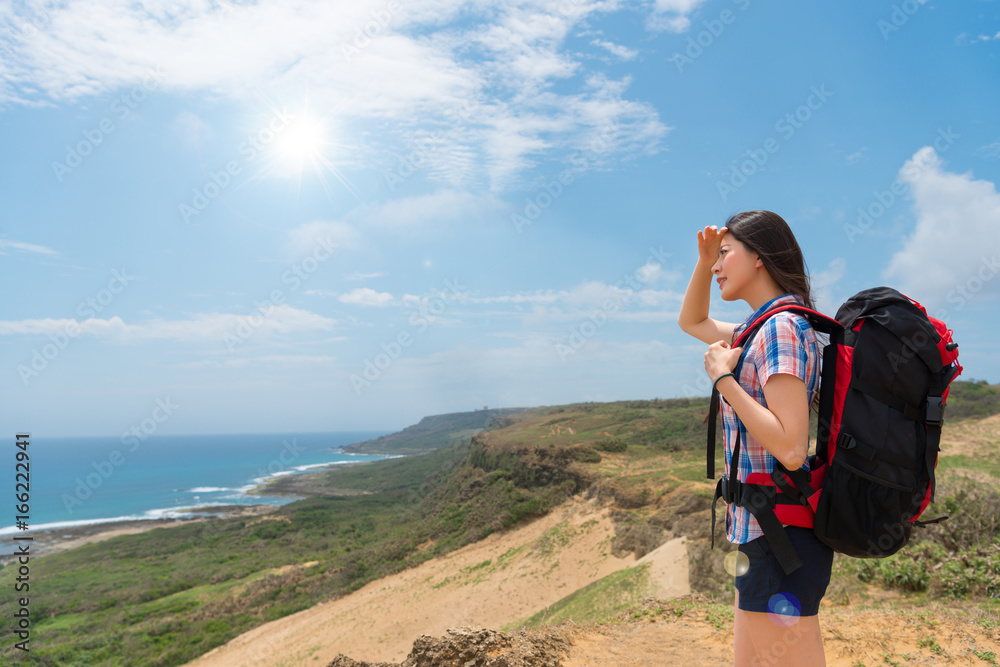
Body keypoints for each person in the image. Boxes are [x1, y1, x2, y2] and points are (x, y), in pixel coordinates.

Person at [677, 210, 832, 667]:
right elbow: (693, 321)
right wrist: (703, 262)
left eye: (725, 255)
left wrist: (724, 381)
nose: (717, 267)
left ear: (759, 257)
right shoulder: (760, 327)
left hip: (778, 536)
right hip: (764, 532)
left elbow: (789, 447)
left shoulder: (780, 330)